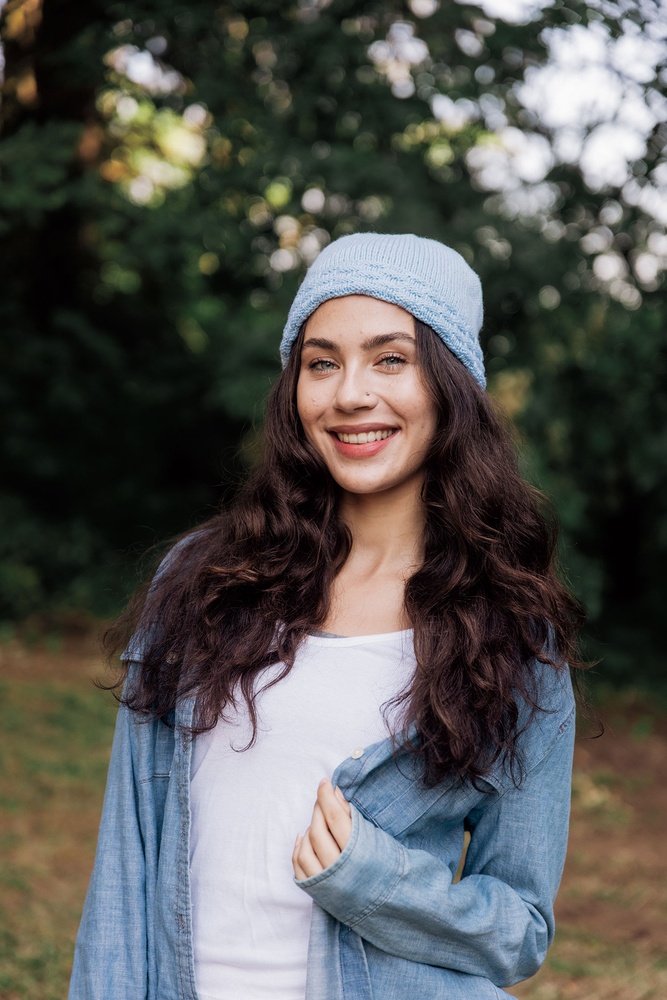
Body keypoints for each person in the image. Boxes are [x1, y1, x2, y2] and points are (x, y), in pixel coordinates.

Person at [69, 233, 585, 1000]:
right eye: (321, 362)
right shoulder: (205, 583)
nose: (349, 393)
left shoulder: (510, 638)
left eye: (389, 359)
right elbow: (125, 865)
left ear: (449, 385)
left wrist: (376, 880)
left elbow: (518, 930)